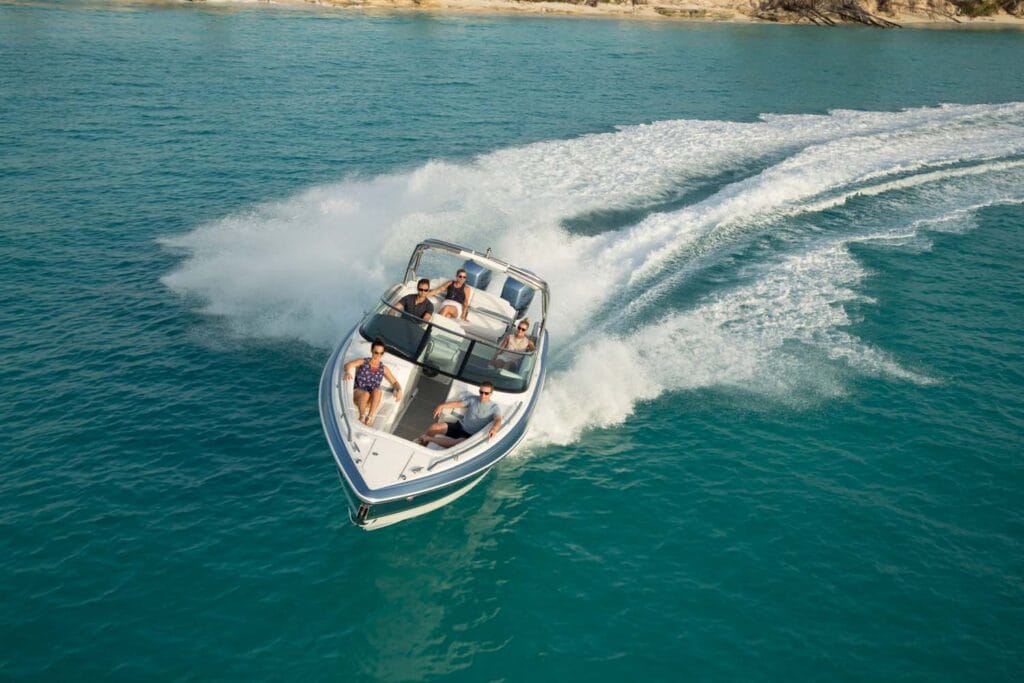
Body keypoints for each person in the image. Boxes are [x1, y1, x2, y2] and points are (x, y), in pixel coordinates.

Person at [415, 381, 501, 448]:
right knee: (434, 427)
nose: (483, 395)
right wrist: (441, 406)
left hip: (470, 435)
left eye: (486, 393)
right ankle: (423, 444)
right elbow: (458, 404)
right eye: (481, 392)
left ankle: (429, 439)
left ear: (491, 394)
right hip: (459, 426)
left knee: (456, 443)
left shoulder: (494, 407)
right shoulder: (473, 399)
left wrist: (495, 429)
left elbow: (498, 419)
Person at [343, 338, 402, 426]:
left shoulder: (383, 368)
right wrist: (347, 372)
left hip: (371, 401)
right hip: (358, 395)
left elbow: (394, 382)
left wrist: (399, 390)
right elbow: (348, 365)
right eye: (376, 352)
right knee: (366, 393)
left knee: (378, 391)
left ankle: (370, 417)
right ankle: (362, 416)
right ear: (371, 351)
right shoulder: (363, 362)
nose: (378, 355)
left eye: (381, 353)